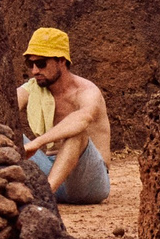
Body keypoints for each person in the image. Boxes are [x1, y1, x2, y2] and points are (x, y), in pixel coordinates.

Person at [15, 26, 111, 204]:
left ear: (61, 61)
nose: (35, 70)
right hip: (50, 171)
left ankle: (44, 197)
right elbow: (4, 107)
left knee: (77, 133)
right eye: (30, 64)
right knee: (5, 132)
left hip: (88, 183)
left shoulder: (87, 91)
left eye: (41, 63)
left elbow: (82, 119)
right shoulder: (33, 88)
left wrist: (37, 142)